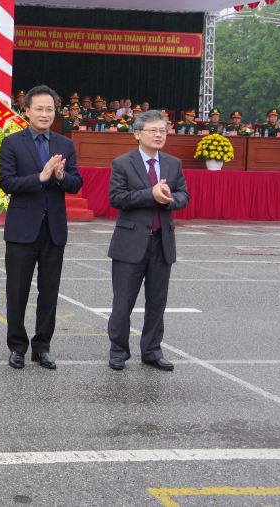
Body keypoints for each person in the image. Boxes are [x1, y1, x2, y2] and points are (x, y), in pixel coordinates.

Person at [0, 85, 83, 370]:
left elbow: (76, 183)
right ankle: (17, 346)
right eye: (39, 109)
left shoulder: (64, 144)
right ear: (26, 111)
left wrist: (59, 177)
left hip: (54, 229)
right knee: (17, 289)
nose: (45, 114)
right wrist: (41, 176)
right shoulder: (12, 143)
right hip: (23, 229)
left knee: (49, 290)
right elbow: (7, 184)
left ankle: (42, 347)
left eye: (50, 109)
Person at [106, 110, 189, 372]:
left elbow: (184, 195)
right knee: (123, 302)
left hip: (161, 243)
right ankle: (118, 351)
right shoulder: (122, 163)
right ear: (137, 134)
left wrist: (171, 199)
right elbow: (117, 198)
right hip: (130, 244)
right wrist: (150, 194)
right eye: (153, 130)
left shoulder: (173, 164)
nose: (158, 135)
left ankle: (152, 351)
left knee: (157, 302)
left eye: (163, 131)